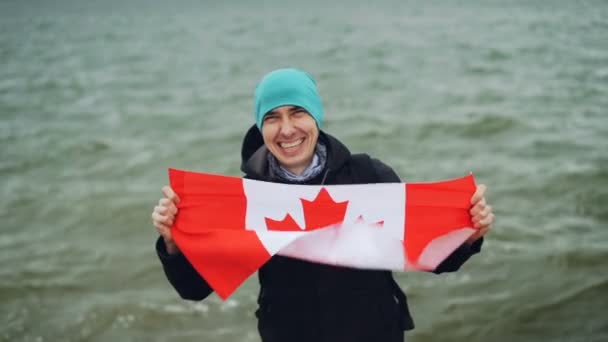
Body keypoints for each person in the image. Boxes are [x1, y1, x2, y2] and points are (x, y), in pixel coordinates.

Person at [151, 68, 494, 342]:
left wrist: (469, 234)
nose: (287, 129)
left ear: (316, 116)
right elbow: (194, 288)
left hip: (375, 333)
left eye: (297, 112)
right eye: (272, 117)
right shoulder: (248, 196)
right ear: (260, 125)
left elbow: (434, 259)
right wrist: (172, 241)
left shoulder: (368, 175)